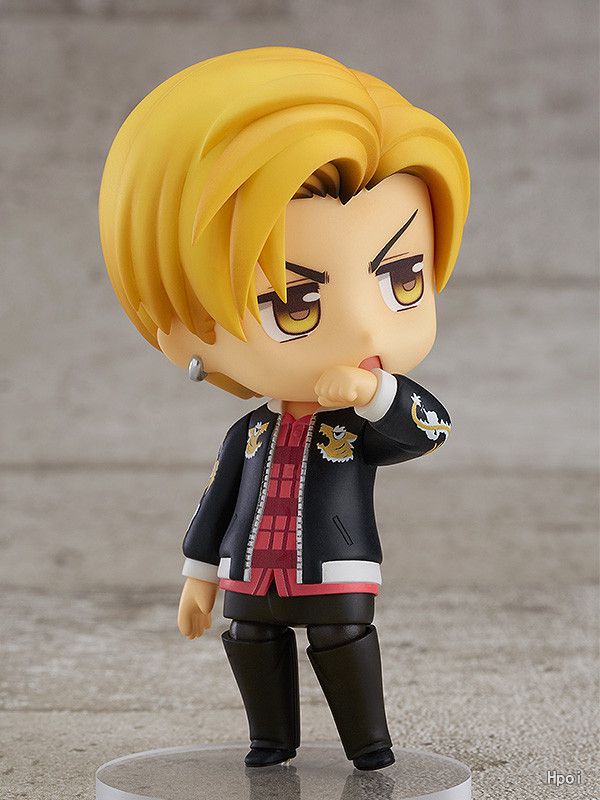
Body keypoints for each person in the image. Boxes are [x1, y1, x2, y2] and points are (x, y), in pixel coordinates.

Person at [99, 46, 470, 771]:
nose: (363, 328)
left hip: (335, 564)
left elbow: (428, 430)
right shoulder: (249, 433)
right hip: (250, 570)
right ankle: (271, 740)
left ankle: (370, 745)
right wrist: (199, 576)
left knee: (342, 639)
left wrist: (375, 394)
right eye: (295, 303)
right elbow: (216, 503)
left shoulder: (362, 419)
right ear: (180, 328)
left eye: (403, 279)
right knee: (252, 641)